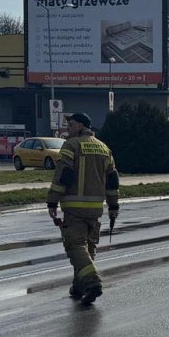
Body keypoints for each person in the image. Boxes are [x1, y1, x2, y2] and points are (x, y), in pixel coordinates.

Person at [47, 112, 121, 305]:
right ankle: (79, 287)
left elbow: (62, 175)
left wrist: (52, 202)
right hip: (95, 209)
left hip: (74, 209)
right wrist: (113, 206)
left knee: (75, 246)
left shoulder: (71, 145)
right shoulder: (104, 148)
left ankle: (92, 282)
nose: (68, 128)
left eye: (71, 124)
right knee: (87, 248)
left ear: (80, 125)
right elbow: (112, 181)